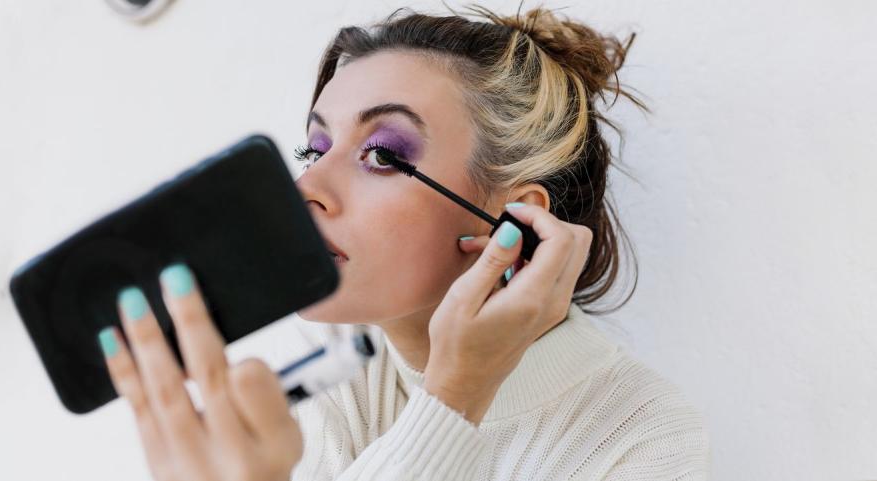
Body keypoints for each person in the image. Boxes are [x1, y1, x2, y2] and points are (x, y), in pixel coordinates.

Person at [96, 5, 711, 480]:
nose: (306, 187)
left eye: (383, 156)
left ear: (512, 225)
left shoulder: (640, 434)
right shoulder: (333, 361)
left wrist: (454, 396)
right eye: (313, 148)